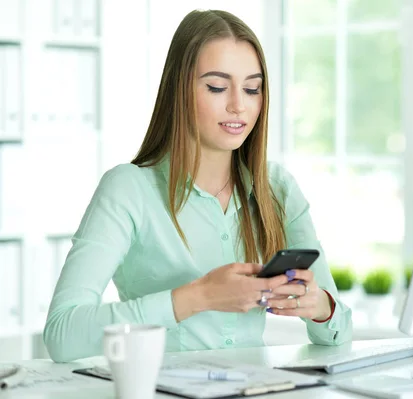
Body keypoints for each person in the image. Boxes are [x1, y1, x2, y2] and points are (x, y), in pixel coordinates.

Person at [43, 9, 353, 363]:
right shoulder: (127, 190)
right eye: (217, 87)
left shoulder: (276, 187)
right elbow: (62, 334)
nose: (239, 105)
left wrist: (320, 307)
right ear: (180, 90)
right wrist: (198, 296)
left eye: (252, 89)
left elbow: (339, 332)